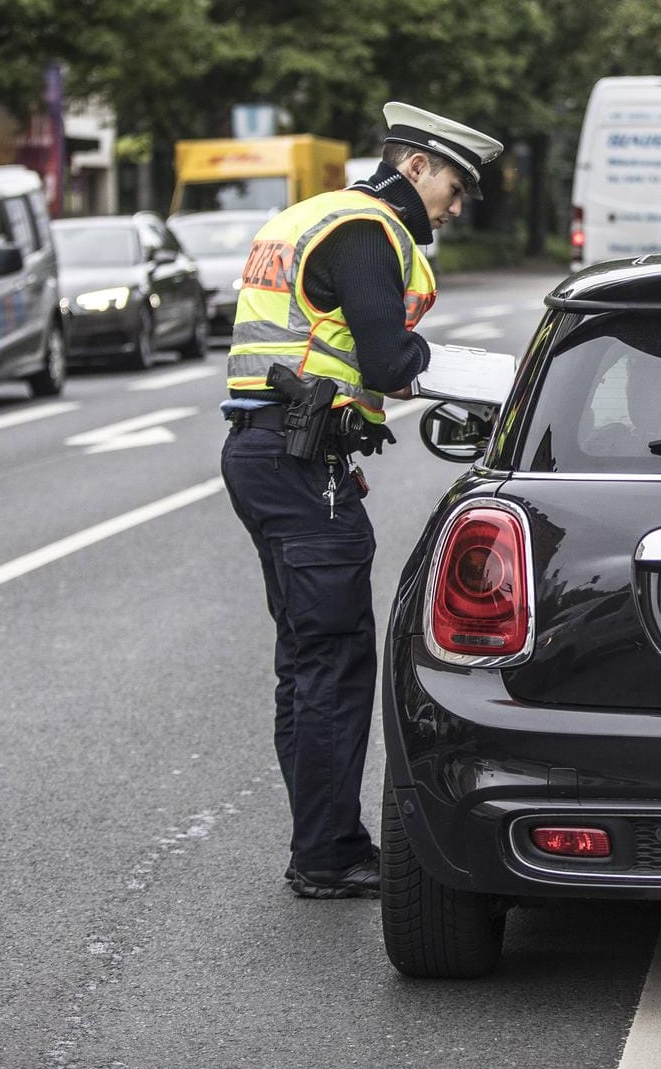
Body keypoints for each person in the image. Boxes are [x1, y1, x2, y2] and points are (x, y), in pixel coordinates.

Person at [220, 102, 502, 899]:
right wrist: (499, 384)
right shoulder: (368, 230)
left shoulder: (308, 216)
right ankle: (328, 855)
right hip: (300, 460)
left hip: (270, 452)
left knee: (306, 661)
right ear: (415, 166)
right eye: (454, 184)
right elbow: (386, 358)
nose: (457, 203)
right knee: (336, 663)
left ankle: (323, 842)